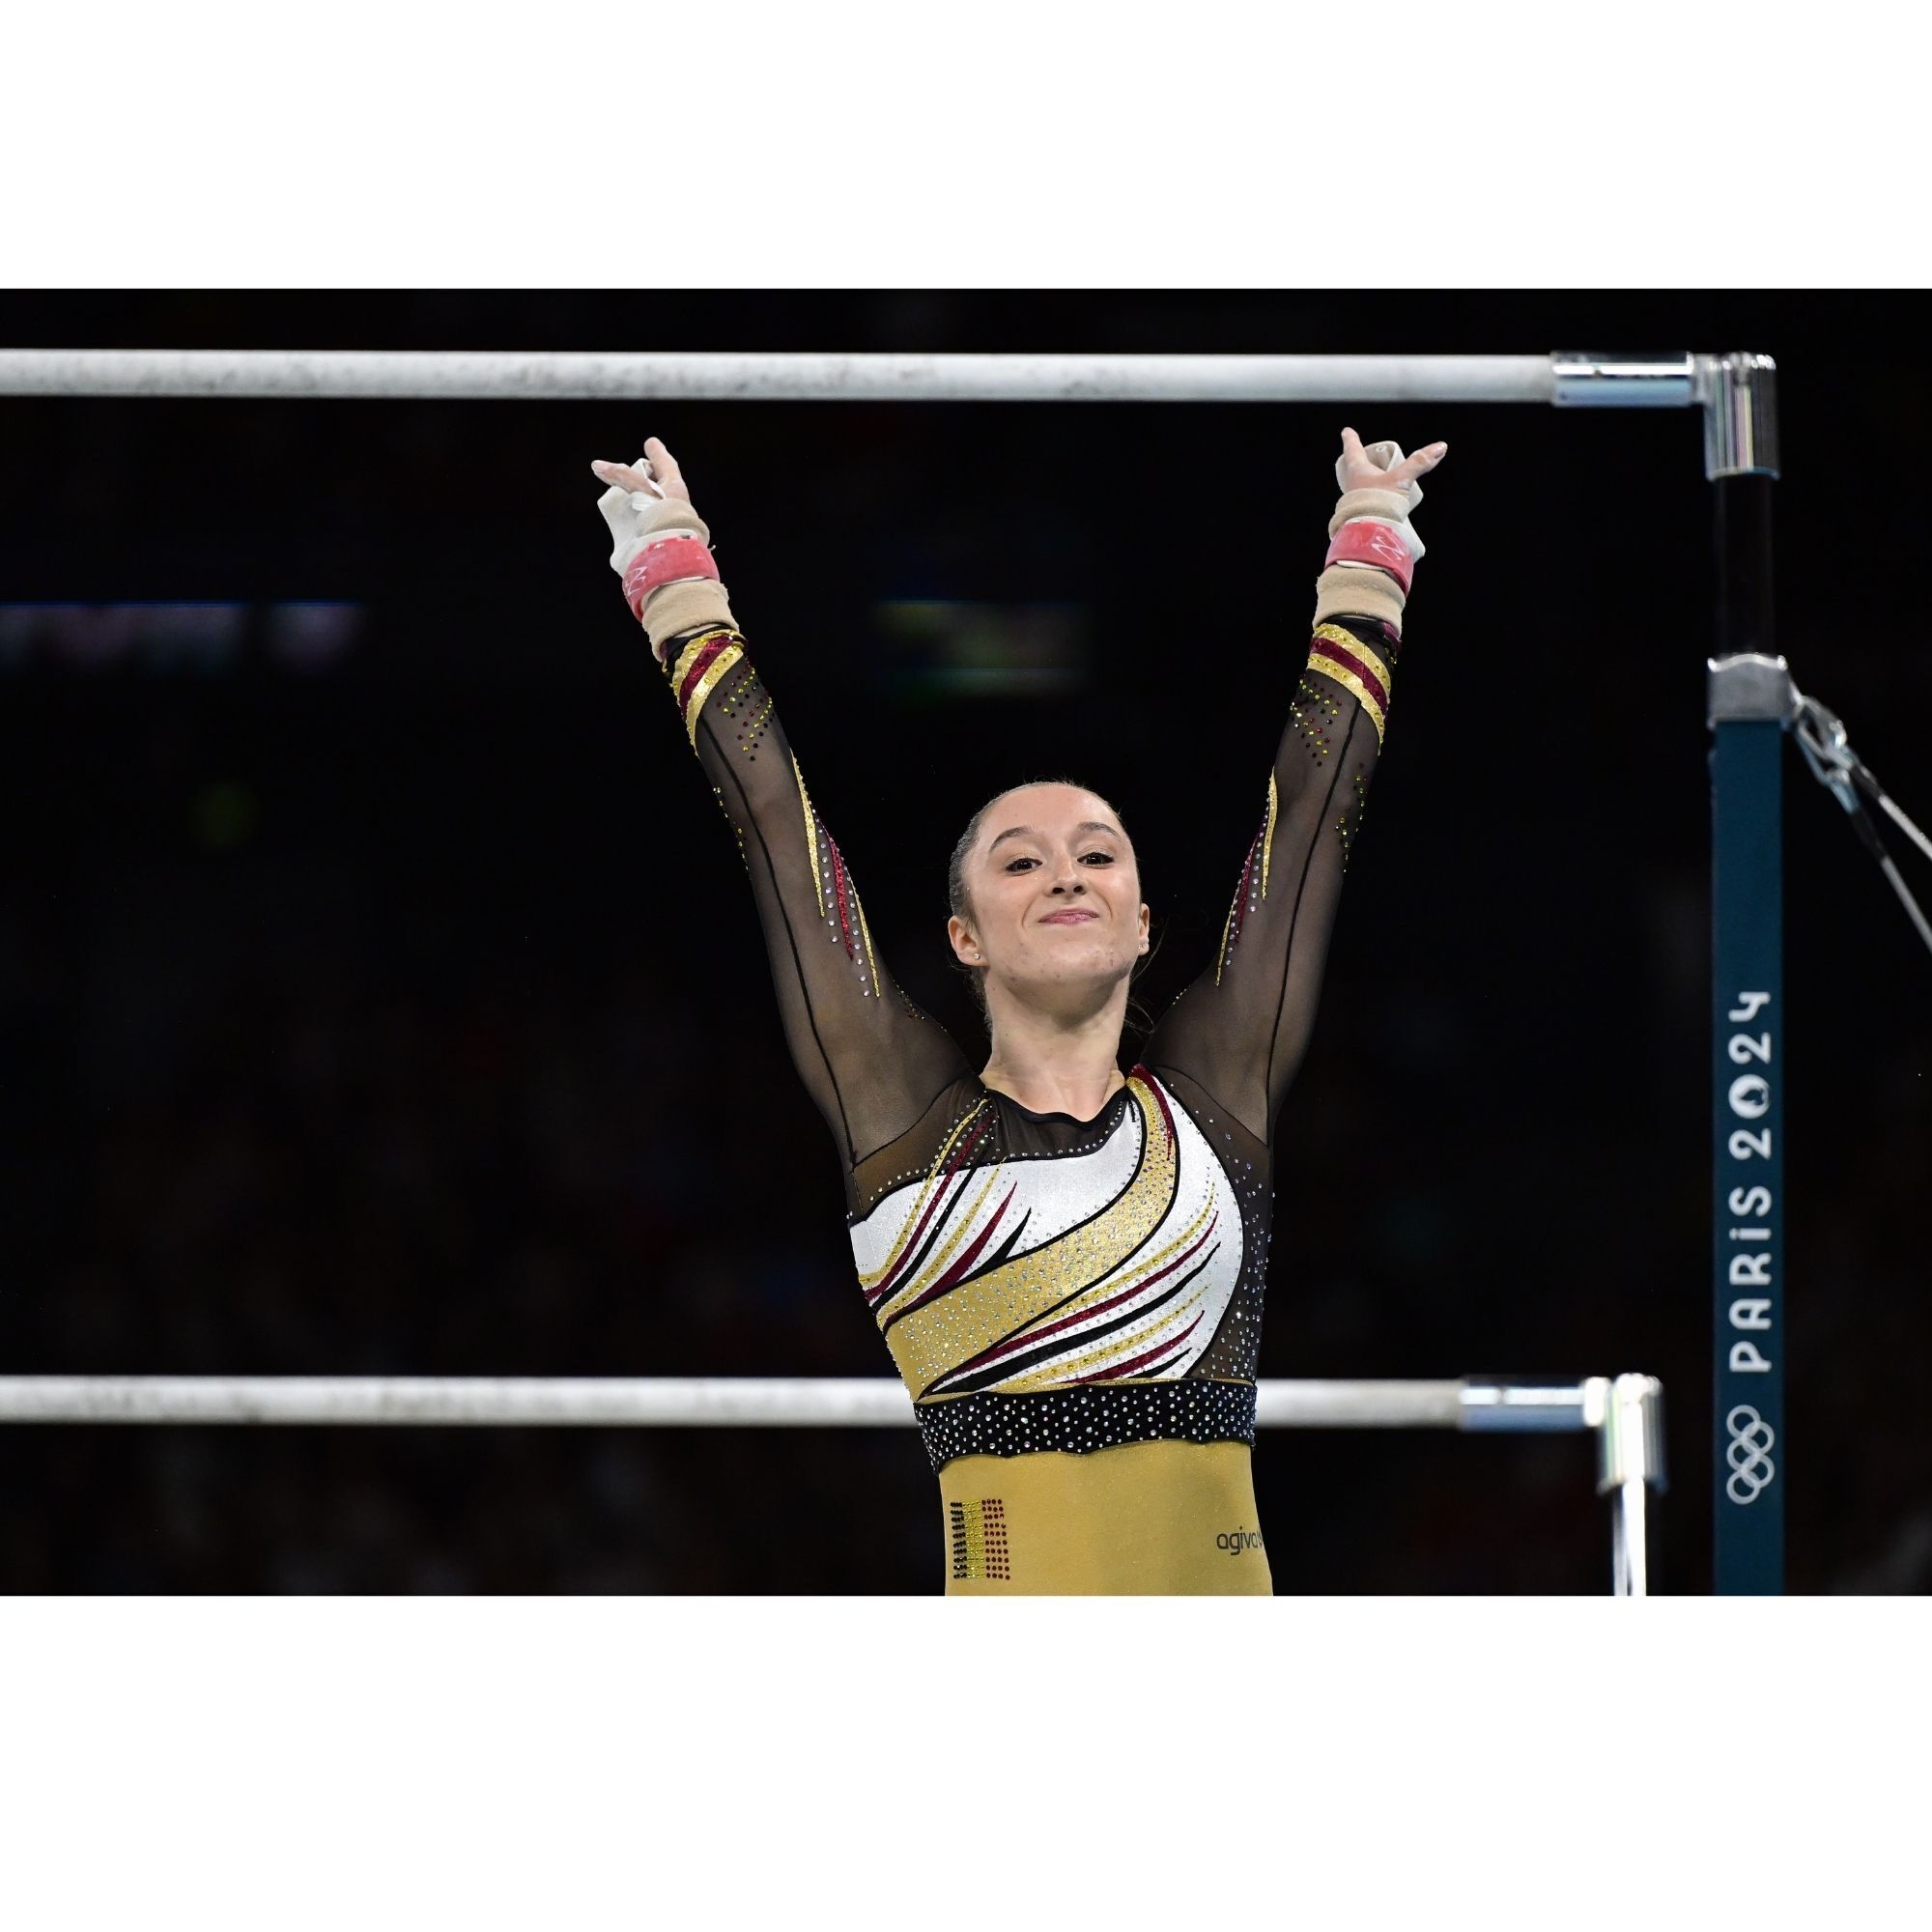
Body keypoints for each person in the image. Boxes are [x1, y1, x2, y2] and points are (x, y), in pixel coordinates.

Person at [591, 426, 1446, 1594]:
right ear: (964, 936)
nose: (1064, 874)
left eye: (1097, 853)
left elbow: (1311, 815)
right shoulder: (903, 1120)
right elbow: (774, 826)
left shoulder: (1212, 1103)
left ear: (1142, 924)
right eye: (1019, 861)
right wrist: (673, 574)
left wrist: (1368, 549)